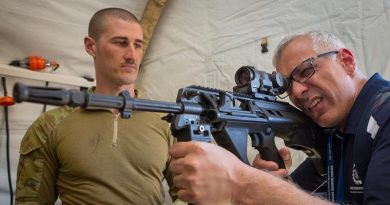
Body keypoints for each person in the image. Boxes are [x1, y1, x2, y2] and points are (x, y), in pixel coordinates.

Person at [168, 30, 390, 205]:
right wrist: (271, 185)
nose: (298, 92)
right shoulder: (334, 135)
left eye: (306, 70)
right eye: (288, 86)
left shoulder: (384, 115)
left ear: (347, 61)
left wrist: (245, 183)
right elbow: (297, 193)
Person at [15, 8, 177, 204]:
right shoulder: (50, 125)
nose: (132, 55)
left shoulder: (165, 122)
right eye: (120, 43)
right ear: (91, 46)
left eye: (138, 45)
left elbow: (193, 194)